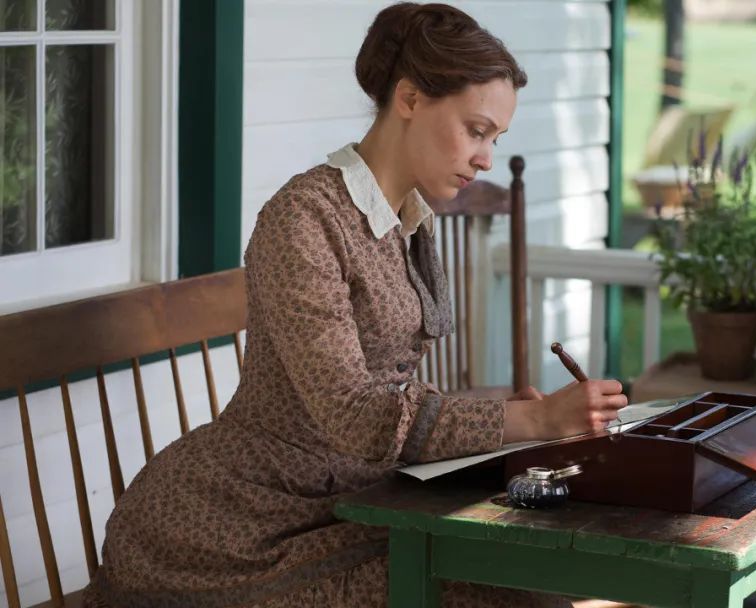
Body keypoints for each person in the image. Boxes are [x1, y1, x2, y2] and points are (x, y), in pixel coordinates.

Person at [82, 3, 627, 607]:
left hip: (356, 497)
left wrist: (513, 422)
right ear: (411, 98)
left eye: (496, 139)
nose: (486, 158)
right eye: (476, 131)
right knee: (505, 587)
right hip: (246, 523)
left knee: (530, 567)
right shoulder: (302, 220)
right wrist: (534, 421)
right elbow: (354, 412)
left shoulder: (409, 220)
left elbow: (388, 398)